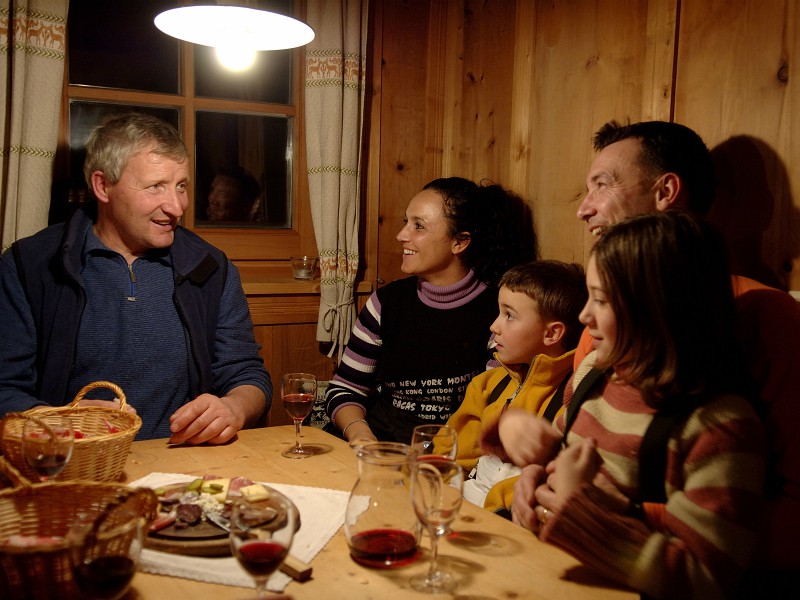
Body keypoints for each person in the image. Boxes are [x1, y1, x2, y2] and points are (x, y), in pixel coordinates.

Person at [514, 119, 800, 581]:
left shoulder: (768, 318)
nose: (582, 210)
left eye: (602, 185)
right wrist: (534, 474)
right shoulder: (600, 344)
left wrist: (600, 512)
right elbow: (567, 453)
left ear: (666, 191)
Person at [490, 211, 766, 599]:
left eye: (600, 300)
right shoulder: (593, 373)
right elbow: (562, 463)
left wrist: (575, 512)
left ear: (659, 309)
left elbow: (705, 578)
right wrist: (533, 474)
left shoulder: (717, 426)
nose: (585, 317)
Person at [0, 112, 271, 443]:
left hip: (182, 466)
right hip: (71, 470)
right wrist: (57, 424)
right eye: (156, 186)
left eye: (181, 186)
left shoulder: (211, 267)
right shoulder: (30, 265)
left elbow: (248, 375)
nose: (176, 206)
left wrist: (234, 408)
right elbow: (5, 388)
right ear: (103, 186)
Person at [324, 177, 538, 444]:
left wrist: (435, 453)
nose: (401, 235)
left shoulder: (498, 310)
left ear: (459, 243)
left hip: (451, 452)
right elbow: (345, 390)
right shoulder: (386, 303)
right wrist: (360, 435)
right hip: (377, 442)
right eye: (406, 222)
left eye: (419, 226)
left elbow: (493, 406)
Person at [447, 260, 586, 514]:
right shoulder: (488, 384)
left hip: (508, 518)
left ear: (552, 334)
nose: (494, 326)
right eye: (499, 312)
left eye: (509, 315)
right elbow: (453, 452)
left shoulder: (571, 400)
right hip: (461, 506)